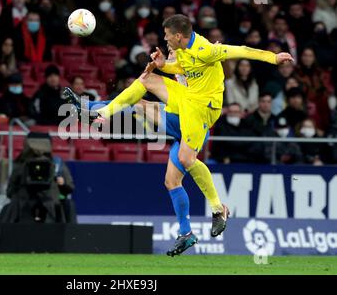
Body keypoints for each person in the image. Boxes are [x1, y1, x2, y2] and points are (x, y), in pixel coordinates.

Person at [79, 14, 294, 256]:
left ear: (179, 36)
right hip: (185, 101)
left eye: (168, 36)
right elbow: (180, 67)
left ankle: (217, 209)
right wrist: (163, 65)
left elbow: (241, 50)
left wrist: (273, 57)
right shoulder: (181, 50)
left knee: (186, 158)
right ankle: (185, 233)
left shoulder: (206, 50)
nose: (165, 39)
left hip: (201, 109)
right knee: (148, 81)